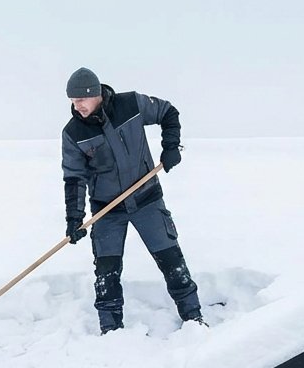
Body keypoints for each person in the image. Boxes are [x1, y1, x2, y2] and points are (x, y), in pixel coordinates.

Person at [61, 67, 203, 333]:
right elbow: (74, 177)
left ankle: (193, 317)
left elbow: (168, 112)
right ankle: (111, 329)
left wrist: (171, 146)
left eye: (81, 99)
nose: (76, 106)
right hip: (107, 211)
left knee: (172, 261)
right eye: (72, 100)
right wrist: (74, 218)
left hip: (147, 199)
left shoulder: (131, 104)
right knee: (106, 274)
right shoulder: (73, 133)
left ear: (96, 95)